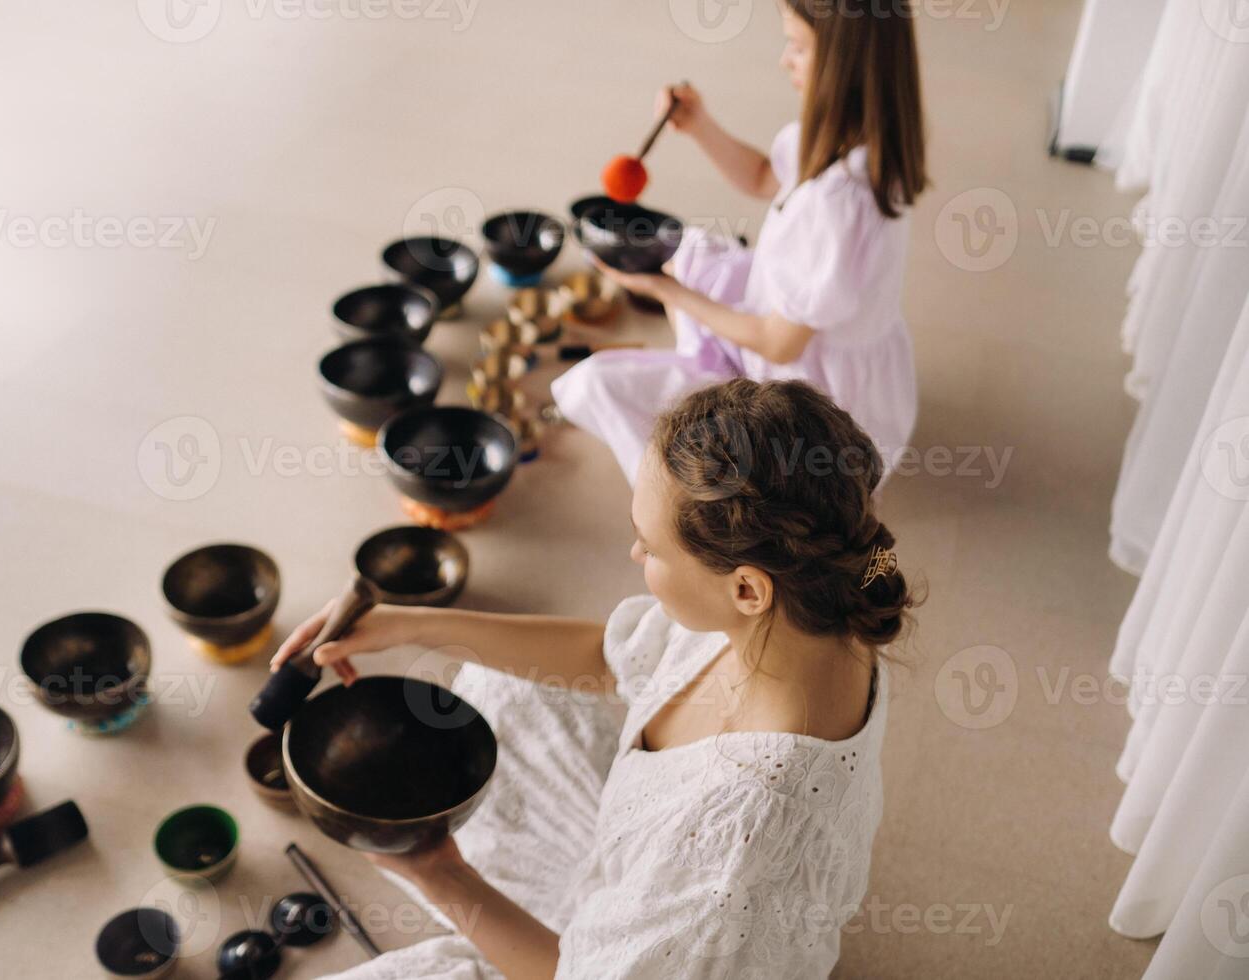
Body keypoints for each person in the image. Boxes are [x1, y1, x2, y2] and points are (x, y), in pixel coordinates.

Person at [272, 379, 917, 979]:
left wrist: (440, 874)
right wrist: (408, 625)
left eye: (651, 547)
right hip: (631, 876)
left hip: (669, 949)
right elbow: (611, 659)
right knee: (503, 686)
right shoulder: (818, 605)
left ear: (746, 588)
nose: (635, 555)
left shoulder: (732, 861)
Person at [553, 0, 927, 485]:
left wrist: (664, 290)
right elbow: (762, 176)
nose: (783, 59)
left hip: (811, 397)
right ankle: (712, 360)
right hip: (806, 337)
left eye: (796, 46)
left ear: (843, 62)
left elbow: (778, 341)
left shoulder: (841, 203)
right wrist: (700, 126)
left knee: (599, 384)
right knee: (690, 252)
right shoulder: (855, 141)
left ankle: (695, 492)